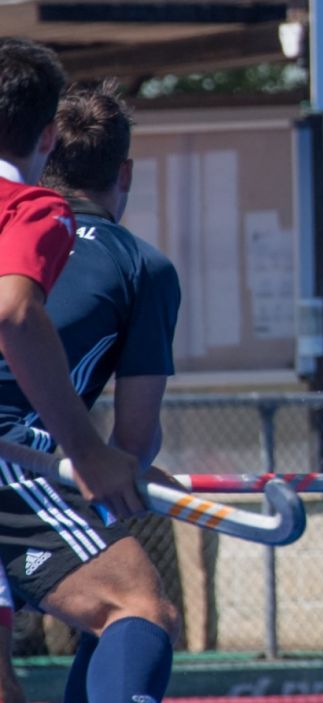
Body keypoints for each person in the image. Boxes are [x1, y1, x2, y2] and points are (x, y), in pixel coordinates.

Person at [0, 72, 183, 702]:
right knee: (135, 606)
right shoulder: (141, 267)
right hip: (11, 459)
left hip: (22, 466)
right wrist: (108, 467)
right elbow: (132, 441)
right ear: (123, 172)